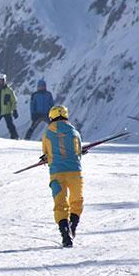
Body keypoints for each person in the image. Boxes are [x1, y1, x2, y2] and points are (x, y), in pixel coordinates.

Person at [41, 105, 82, 247]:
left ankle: (65, 235)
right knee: (76, 200)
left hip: (57, 172)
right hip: (75, 172)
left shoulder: (48, 133)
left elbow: (46, 153)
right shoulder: (74, 132)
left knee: (60, 203)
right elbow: (78, 152)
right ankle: (73, 225)